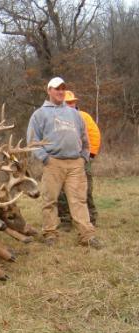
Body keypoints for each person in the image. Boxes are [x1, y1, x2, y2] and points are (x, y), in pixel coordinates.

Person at [26, 77, 102, 249]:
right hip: (53, 163)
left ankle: (87, 236)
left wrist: (83, 157)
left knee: (79, 201)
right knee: (49, 200)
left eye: (62, 88)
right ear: (49, 91)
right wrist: (45, 158)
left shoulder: (74, 114)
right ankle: (50, 234)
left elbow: (84, 138)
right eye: (56, 88)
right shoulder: (40, 114)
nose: (60, 92)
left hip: (76, 164)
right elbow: (32, 140)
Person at [58, 91, 101, 231]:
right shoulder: (56, 118)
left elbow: (94, 134)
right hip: (62, 159)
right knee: (61, 191)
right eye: (67, 102)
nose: (70, 105)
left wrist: (90, 155)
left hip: (82, 158)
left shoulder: (83, 117)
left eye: (72, 102)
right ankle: (65, 221)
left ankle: (90, 218)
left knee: (85, 189)